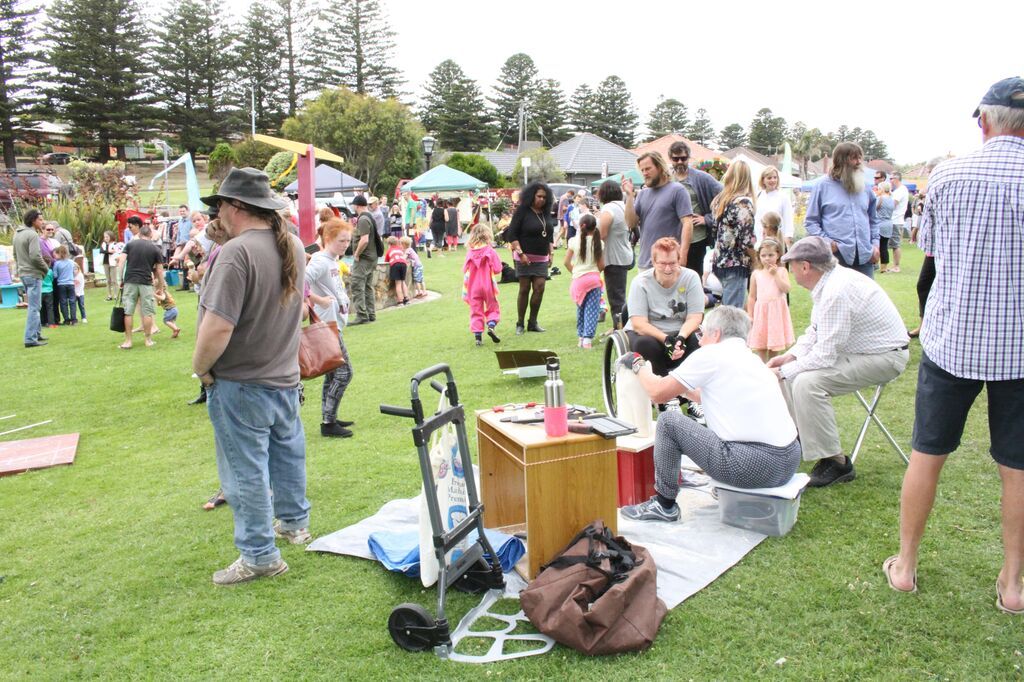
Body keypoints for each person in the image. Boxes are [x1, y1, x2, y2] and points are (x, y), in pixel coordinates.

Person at [883, 78, 1024, 612]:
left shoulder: (948, 174)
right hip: (1021, 347)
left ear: (984, 122)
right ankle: (1012, 585)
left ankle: (906, 566)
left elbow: (933, 250)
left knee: (927, 453)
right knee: (1018, 467)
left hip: (954, 340)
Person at [193, 167, 308, 586]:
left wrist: (201, 369)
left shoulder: (236, 253)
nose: (217, 211)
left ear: (236, 206)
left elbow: (218, 327)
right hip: (284, 377)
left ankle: (260, 555)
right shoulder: (291, 243)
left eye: (220, 203)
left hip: (243, 383)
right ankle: (295, 524)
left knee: (245, 472)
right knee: (287, 455)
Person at [618, 305, 802, 521]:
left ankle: (664, 504)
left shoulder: (711, 354)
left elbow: (657, 394)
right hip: (788, 460)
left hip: (752, 465)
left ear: (716, 334)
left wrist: (639, 366)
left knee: (668, 421)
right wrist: (679, 384)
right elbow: (706, 395)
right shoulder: (751, 359)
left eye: (701, 333)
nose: (700, 340)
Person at [767, 236, 909, 487]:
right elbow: (815, 331)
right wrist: (791, 356)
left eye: (791, 264)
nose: (790, 270)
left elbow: (825, 354)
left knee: (806, 382)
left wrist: (786, 371)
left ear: (805, 266)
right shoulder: (828, 283)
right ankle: (796, 440)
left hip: (886, 357)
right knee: (792, 374)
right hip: (862, 351)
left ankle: (837, 463)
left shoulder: (836, 290)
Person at [624, 237, 704, 379]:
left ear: (679, 260)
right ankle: (662, 393)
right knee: (645, 344)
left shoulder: (691, 278)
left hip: (680, 331)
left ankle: (691, 389)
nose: (668, 269)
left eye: (672, 263)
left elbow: (695, 317)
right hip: (650, 333)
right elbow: (639, 324)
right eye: (662, 263)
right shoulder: (640, 283)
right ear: (654, 262)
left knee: (699, 339)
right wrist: (666, 339)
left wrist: (681, 337)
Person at [305, 218, 355, 438]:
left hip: (334, 322)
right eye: (341, 240)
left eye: (347, 241)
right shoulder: (320, 261)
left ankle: (330, 417)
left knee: (333, 372)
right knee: (344, 373)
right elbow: (299, 282)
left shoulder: (332, 260)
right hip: (326, 325)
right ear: (327, 239)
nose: (345, 245)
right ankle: (328, 422)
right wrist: (319, 300)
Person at [804, 142, 880, 278]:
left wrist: (875, 245)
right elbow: (811, 222)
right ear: (841, 160)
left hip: (864, 255)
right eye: (854, 158)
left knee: (867, 298)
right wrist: (828, 243)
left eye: (860, 158)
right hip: (835, 257)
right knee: (835, 299)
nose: (859, 162)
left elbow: (873, 220)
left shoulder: (866, 187)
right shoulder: (822, 186)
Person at [623, 151, 693, 270]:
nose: (645, 173)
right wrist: (629, 196)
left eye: (648, 169)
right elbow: (631, 223)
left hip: (668, 263)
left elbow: (687, 223)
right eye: (642, 170)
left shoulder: (677, 190)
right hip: (645, 263)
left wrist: (683, 254)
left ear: (660, 167)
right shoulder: (642, 194)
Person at [504, 182, 555, 335]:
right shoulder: (522, 211)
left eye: (544, 197)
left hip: (541, 258)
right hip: (523, 256)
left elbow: (549, 235)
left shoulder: (546, 213)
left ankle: (533, 322)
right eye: (539, 196)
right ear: (531, 196)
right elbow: (512, 234)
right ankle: (520, 323)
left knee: (540, 288)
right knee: (524, 289)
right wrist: (521, 254)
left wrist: (550, 253)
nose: (541, 200)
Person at [668, 140, 723, 276]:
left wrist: (708, 219)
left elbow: (725, 197)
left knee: (694, 278)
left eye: (683, 158)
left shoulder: (702, 178)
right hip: (672, 239)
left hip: (696, 238)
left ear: (689, 158)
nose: (680, 161)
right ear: (670, 159)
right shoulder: (666, 179)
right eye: (676, 158)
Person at [709, 160, 757, 309]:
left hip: (720, 260)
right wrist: (756, 261)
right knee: (733, 313)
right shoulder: (742, 203)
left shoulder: (721, 200)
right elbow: (746, 240)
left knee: (725, 308)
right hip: (736, 263)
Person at [117, 223, 164, 349]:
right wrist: (161, 285)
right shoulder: (155, 249)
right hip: (146, 282)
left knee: (128, 312)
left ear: (139, 234)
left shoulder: (130, 244)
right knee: (147, 312)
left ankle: (128, 341)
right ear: (151, 235)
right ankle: (148, 340)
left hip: (130, 281)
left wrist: (120, 279)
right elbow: (159, 270)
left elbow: (121, 262)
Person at [746, 238, 793, 362]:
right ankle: (762, 366)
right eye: (763, 255)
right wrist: (750, 314)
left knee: (774, 343)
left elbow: (786, 289)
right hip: (762, 311)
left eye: (771, 255)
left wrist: (775, 275)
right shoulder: (756, 274)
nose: (767, 258)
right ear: (759, 257)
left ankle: (773, 365)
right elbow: (751, 296)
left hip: (776, 312)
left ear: (778, 255)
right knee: (761, 344)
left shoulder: (782, 271)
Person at [564, 213, 604, 349]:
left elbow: (566, 262)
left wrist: (575, 273)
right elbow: (601, 265)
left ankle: (581, 337)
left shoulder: (573, 241)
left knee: (580, 309)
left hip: (578, 281)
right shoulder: (599, 242)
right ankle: (587, 339)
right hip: (593, 279)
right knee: (592, 310)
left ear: (581, 226)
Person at [596, 180, 632, 329]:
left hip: (614, 259)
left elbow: (601, 234)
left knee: (616, 299)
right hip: (624, 254)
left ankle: (620, 330)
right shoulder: (622, 206)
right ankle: (617, 327)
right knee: (619, 296)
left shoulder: (609, 209)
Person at [13, 209, 49, 347]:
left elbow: (15, 255)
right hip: (33, 274)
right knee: (34, 307)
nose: (42, 222)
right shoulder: (32, 235)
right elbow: (35, 256)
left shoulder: (17, 233)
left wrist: (19, 269)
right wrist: (46, 269)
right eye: (40, 219)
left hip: (23, 273)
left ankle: (37, 333)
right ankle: (30, 338)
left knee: (35, 305)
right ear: (33, 220)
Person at [463, 222, 502, 346]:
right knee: (492, 307)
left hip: (473, 287)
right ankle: (491, 325)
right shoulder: (489, 251)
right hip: (487, 286)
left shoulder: (470, 252)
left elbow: (465, 269)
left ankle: (478, 337)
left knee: (476, 310)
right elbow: (497, 268)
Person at [350, 194, 382, 325]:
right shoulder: (369, 216)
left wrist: (356, 254)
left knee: (357, 285)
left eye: (353, 205)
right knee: (368, 286)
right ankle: (371, 314)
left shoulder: (363, 219)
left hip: (364, 258)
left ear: (357, 205)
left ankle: (362, 315)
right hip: (372, 257)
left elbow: (364, 240)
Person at [754, 167, 794, 247]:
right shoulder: (758, 196)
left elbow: (788, 220)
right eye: (769, 178)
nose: (772, 180)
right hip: (759, 241)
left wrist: (788, 238)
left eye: (775, 177)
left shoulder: (783, 197)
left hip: (776, 241)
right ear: (763, 180)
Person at [888, 172, 909, 273]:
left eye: (891, 179)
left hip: (896, 220)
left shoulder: (900, 190)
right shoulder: (898, 190)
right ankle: (893, 265)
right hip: (894, 220)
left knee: (895, 244)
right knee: (892, 244)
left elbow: (893, 205)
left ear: (896, 179)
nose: (890, 181)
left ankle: (896, 266)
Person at [51, 245, 76, 325]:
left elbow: (55, 275)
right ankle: (74, 318)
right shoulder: (71, 262)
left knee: (63, 302)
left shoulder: (57, 264)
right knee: (72, 301)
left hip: (61, 284)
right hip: (71, 283)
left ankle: (66, 319)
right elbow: (74, 272)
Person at [874, 181, 895, 273]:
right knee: (884, 247)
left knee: (876, 246)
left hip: (879, 224)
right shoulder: (891, 199)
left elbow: (872, 209)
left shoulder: (880, 198)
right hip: (888, 224)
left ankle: (875, 264)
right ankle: (884, 267)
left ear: (881, 189)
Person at [383, 236, 409, 305]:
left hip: (395, 264)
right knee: (403, 282)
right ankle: (406, 298)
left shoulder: (389, 250)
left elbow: (386, 261)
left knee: (398, 283)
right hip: (403, 264)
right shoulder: (400, 249)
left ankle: (400, 301)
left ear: (389, 244)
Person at [99, 230, 118, 300]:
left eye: (107, 237)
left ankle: (116, 295)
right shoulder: (104, 244)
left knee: (114, 280)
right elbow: (101, 251)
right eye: (105, 237)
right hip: (105, 263)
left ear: (111, 236)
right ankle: (109, 295)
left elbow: (114, 252)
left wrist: (108, 252)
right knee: (108, 280)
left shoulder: (115, 244)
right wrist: (109, 251)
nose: (106, 238)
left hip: (113, 263)